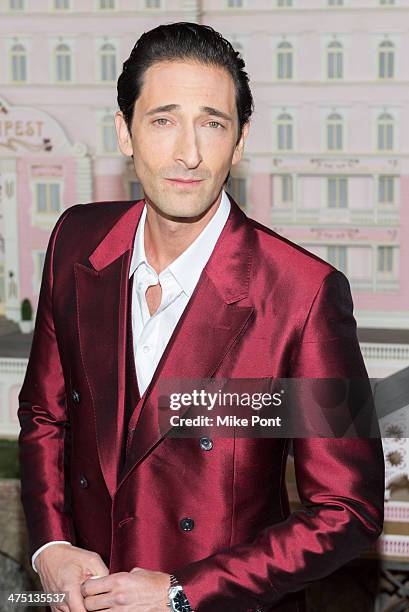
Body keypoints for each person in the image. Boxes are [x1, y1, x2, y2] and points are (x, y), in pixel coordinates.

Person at [18, 22, 384, 612]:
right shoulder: (75, 241)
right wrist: (52, 546)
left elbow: (349, 510)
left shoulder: (306, 293)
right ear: (125, 133)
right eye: (163, 120)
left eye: (212, 123)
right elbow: (44, 414)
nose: (188, 152)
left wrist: (184, 593)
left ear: (239, 141)